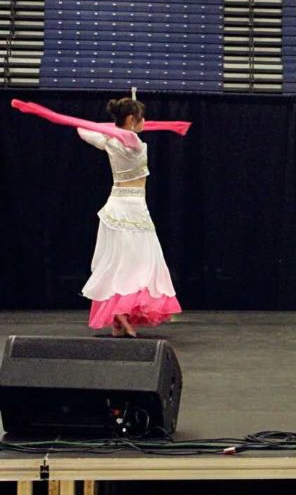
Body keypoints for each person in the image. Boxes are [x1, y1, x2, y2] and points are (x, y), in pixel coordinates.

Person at [12, 97, 186, 336]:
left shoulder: (108, 139)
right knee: (139, 261)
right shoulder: (130, 139)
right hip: (130, 207)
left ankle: (118, 319)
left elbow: (82, 128)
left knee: (124, 262)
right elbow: (81, 124)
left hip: (121, 205)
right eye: (140, 117)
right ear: (131, 120)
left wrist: (167, 126)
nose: (145, 121)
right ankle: (120, 313)